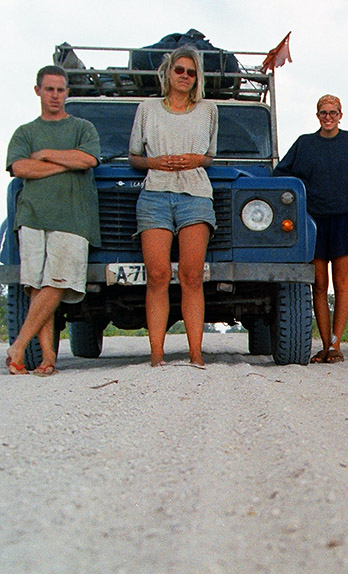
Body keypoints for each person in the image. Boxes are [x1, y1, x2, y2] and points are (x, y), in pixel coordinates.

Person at [274, 94, 348, 364]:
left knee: (341, 284)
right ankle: (324, 346)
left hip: (344, 219)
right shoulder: (305, 144)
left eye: (333, 113)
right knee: (319, 286)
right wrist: (299, 198)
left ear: (340, 115)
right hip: (313, 222)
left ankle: (336, 344)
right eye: (323, 113)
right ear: (317, 116)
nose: (328, 117)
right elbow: (281, 173)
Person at [5, 65, 100, 375]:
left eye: (61, 90)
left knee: (56, 282)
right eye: (49, 89)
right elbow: (20, 168)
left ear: (67, 93)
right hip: (32, 214)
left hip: (72, 217)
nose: (55, 95)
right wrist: (64, 163)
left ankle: (18, 345)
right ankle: (47, 358)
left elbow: (87, 159)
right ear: (38, 91)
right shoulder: (25, 132)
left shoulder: (82, 128)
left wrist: (45, 154)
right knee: (36, 286)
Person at [128, 46, 218, 367]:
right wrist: (154, 162)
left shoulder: (208, 109)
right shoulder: (148, 108)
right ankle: (157, 355)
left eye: (191, 72)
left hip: (195, 194)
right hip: (155, 193)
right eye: (179, 70)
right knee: (158, 274)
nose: (184, 76)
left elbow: (210, 155)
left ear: (197, 79)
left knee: (192, 276)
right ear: (168, 72)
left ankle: (196, 354)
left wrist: (198, 160)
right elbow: (134, 156)